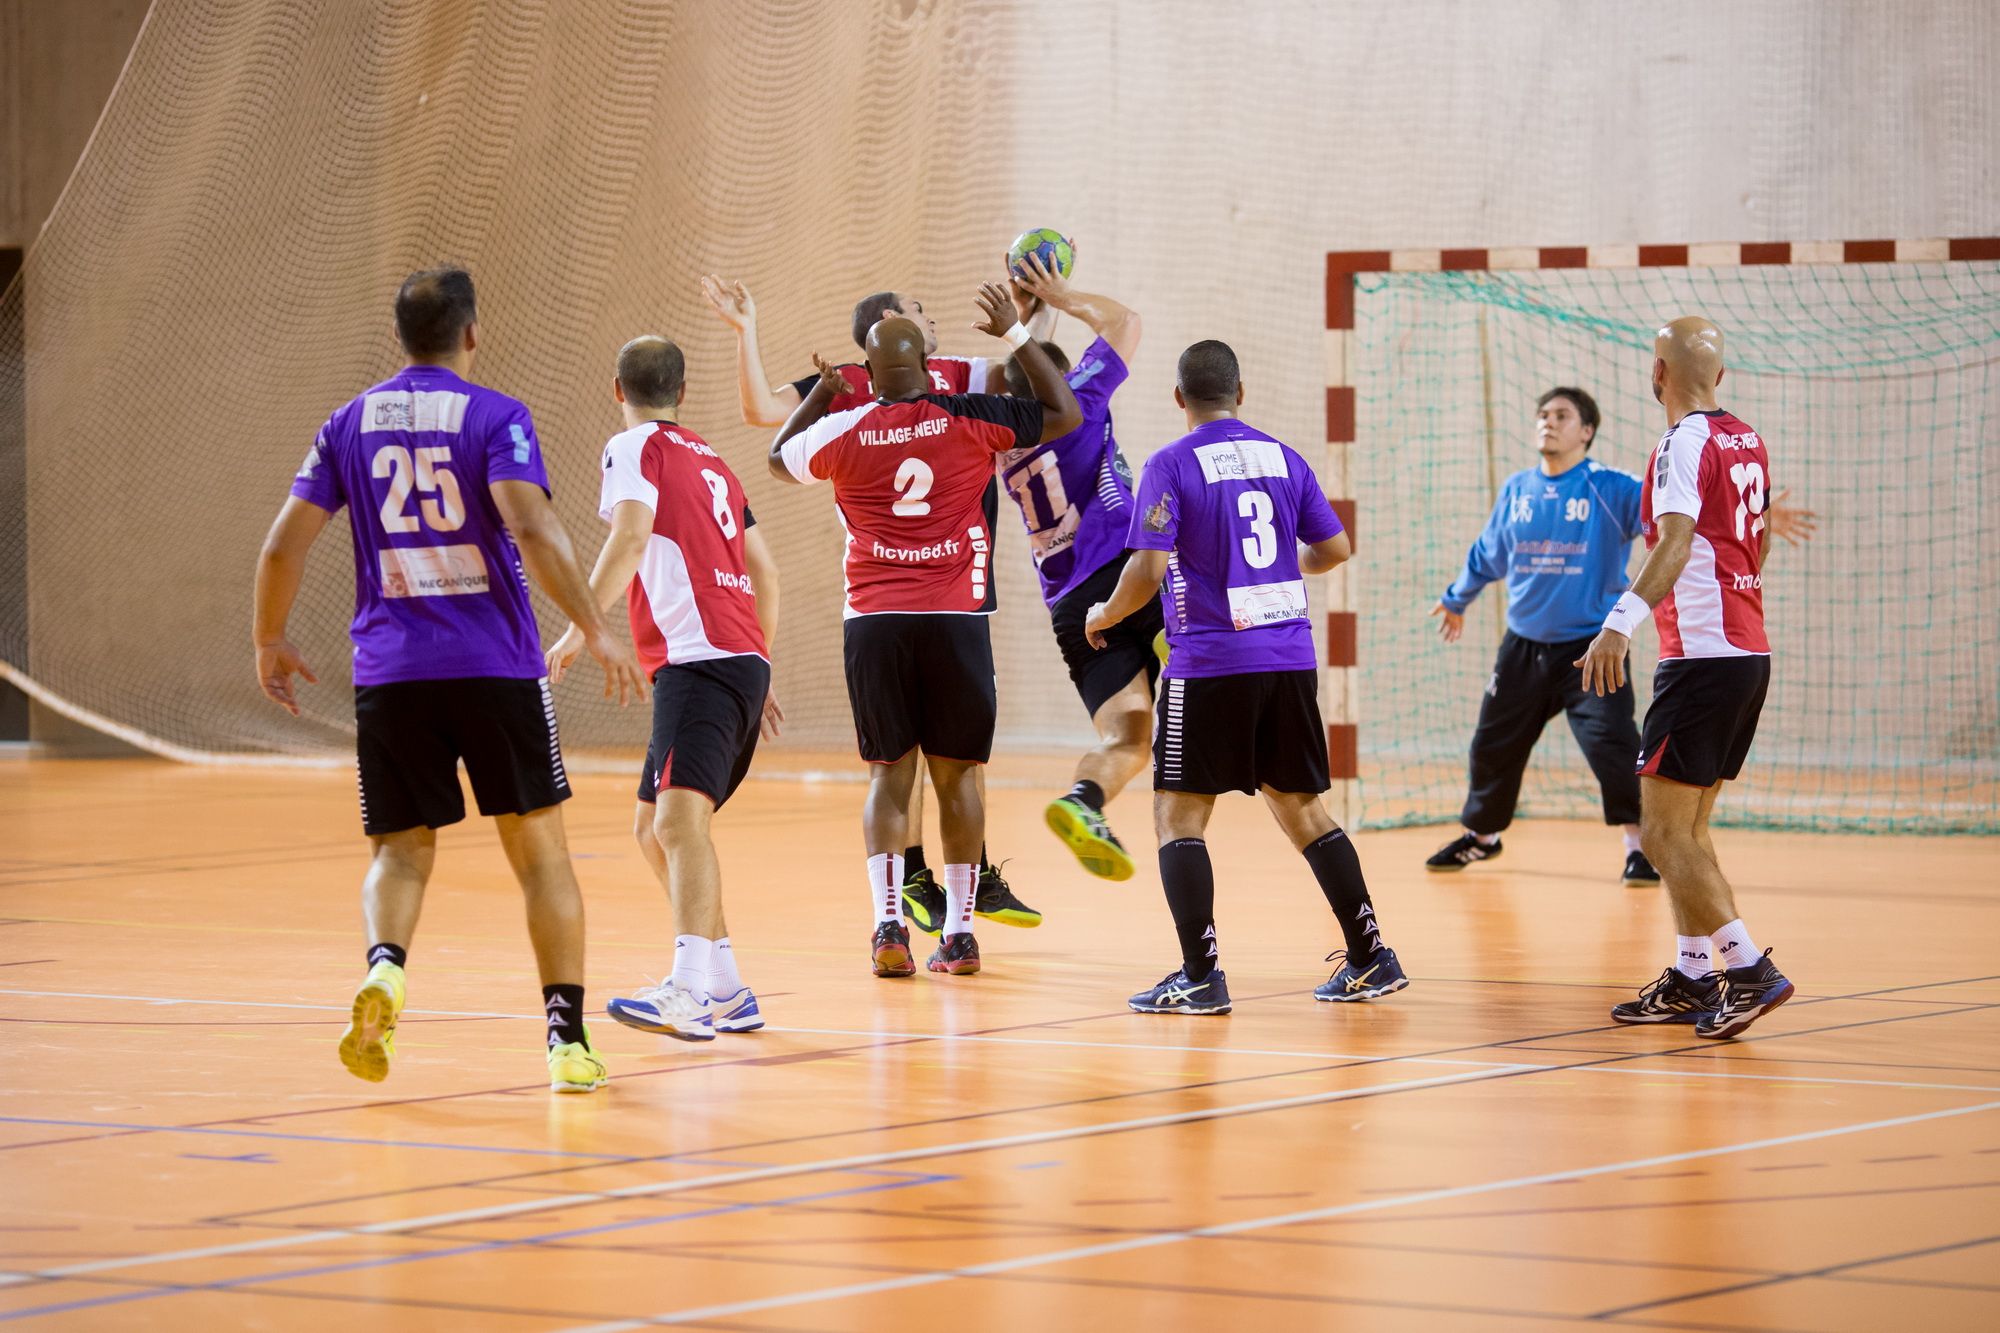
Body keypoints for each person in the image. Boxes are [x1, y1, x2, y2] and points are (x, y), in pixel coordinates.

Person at [252, 266, 646, 1092]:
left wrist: (269, 637)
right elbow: (532, 525)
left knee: (399, 853)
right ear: (472, 332)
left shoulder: (348, 423)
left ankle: (386, 967)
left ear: (401, 337)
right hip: (494, 665)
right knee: (542, 858)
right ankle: (566, 1042)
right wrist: (595, 626)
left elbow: (283, 544)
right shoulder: (495, 415)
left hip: (391, 674)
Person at [702, 275, 1043, 930]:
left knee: (900, 763)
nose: (931, 315)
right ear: (891, 325)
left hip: (894, 597)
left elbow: (1027, 374)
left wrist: (1033, 311)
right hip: (946, 586)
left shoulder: (941, 374)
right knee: (945, 764)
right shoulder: (864, 385)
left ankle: (922, 894)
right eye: (919, 310)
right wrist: (748, 333)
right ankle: (931, 888)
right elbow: (1049, 394)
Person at [1084, 341, 1405, 1015]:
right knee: (1303, 809)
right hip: (1288, 660)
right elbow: (1335, 548)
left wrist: (1104, 614)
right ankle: (1372, 956)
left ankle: (1200, 975)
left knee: (1179, 814)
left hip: (1211, 663)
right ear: (1241, 391)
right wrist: (1288, 567)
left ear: (1180, 397)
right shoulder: (1284, 457)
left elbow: (1147, 567)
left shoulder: (1171, 463)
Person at [768, 290, 1080, 978]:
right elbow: (1065, 412)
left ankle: (888, 924)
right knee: (958, 777)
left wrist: (823, 394)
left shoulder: (844, 427)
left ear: (869, 374)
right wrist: (1018, 333)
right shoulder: (969, 416)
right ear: (927, 365)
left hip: (874, 621)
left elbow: (777, 456)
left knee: (888, 777)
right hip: (955, 619)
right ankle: (961, 934)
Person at [1429, 389, 1815, 885]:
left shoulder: (1612, 488)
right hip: (1522, 647)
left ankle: (1639, 848)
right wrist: (1457, 598)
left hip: (1590, 648)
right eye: (1543, 414)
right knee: (1491, 744)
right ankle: (1482, 837)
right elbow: (1488, 553)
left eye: (1562, 415)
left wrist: (1757, 516)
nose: (1548, 422)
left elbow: (1684, 515)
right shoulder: (1517, 489)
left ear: (1587, 431)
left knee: (1612, 746)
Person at [545, 336, 783, 1042]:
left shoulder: (633, 447)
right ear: (682, 391)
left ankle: (687, 992)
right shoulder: (715, 462)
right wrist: (758, 659)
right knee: (654, 826)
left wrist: (581, 629)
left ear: (618, 390)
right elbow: (766, 571)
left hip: (699, 660)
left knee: (677, 825)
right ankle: (725, 988)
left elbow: (629, 537)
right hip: (732, 657)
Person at [1579, 316, 1795, 1039]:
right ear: (1720, 376)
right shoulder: (1747, 438)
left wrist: (1619, 623)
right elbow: (1759, 540)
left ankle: (1749, 971)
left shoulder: (1681, 441)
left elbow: (1674, 540)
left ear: (1658, 372)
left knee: (1663, 836)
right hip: (1746, 650)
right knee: (1689, 830)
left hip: (1701, 657)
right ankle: (1694, 976)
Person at [990, 251, 1157, 881]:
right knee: (1204, 698)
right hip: (1131, 575)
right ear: (1068, 376)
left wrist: (1024, 323)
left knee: (1128, 738)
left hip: (1071, 608)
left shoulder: (997, 441)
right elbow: (1126, 323)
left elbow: (1027, 377)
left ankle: (1085, 800)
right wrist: (1056, 294)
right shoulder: (1081, 400)